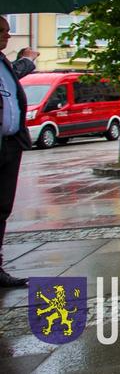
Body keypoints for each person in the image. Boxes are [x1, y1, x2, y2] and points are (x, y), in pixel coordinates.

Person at [0, 18, 37, 288]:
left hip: (10, 143)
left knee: (2, 206)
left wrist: (26, 61)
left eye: (7, 30)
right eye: (2, 31)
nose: (8, 35)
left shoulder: (3, 62)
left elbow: (13, 74)